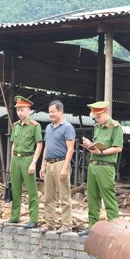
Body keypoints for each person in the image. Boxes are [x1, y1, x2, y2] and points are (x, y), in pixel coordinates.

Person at [79, 101, 123, 236]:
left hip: (106, 166)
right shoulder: (97, 127)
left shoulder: (116, 127)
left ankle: (114, 227)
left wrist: (101, 153)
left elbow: (118, 148)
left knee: (108, 196)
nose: (96, 119)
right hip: (93, 165)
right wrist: (90, 146)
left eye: (98, 116)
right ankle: (93, 226)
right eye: (95, 117)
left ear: (106, 112)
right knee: (92, 197)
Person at [39, 100, 76, 233]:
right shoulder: (48, 128)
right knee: (48, 196)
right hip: (49, 163)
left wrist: (65, 168)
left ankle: (66, 224)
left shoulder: (68, 127)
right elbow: (46, 147)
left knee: (64, 196)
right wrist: (42, 166)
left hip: (61, 162)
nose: (51, 114)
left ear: (61, 111)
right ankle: (49, 223)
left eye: (53, 111)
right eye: (49, 112)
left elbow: (70, 149)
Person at [8, 95, 43, 229]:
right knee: (15, 189)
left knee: (31, 190)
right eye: (18, 110)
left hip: (28, 158)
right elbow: (13, 144)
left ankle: (33, 218)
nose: (19, 112)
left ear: (29, 110)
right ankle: (15, 216)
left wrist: (34, 162)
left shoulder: (35, 126)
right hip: (16, 158)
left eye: (22, 110)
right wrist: (11, 161)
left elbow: (39, 144)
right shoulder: (16, 126)